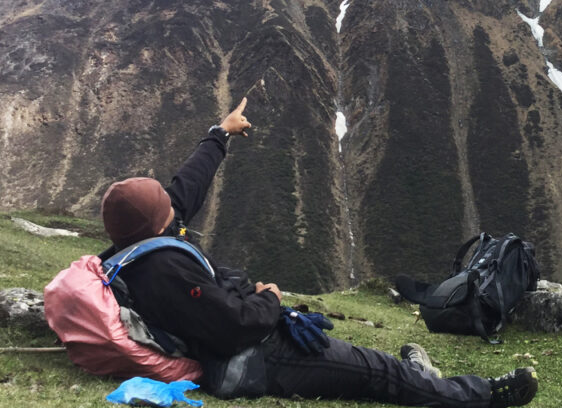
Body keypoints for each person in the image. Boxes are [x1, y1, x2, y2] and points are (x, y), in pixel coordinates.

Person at [98, 98, 538, 407]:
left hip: (257, 340)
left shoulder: (133, 249)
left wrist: (220, 134)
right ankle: (483, 395)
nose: (174, 205)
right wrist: (269, 297)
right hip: (255, 357)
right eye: (164, 205)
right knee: (377, 374)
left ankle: (421, 375)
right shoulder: (166, 271)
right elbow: (232, 327)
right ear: (157, 221)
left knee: (369, 363)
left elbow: (185, 188)